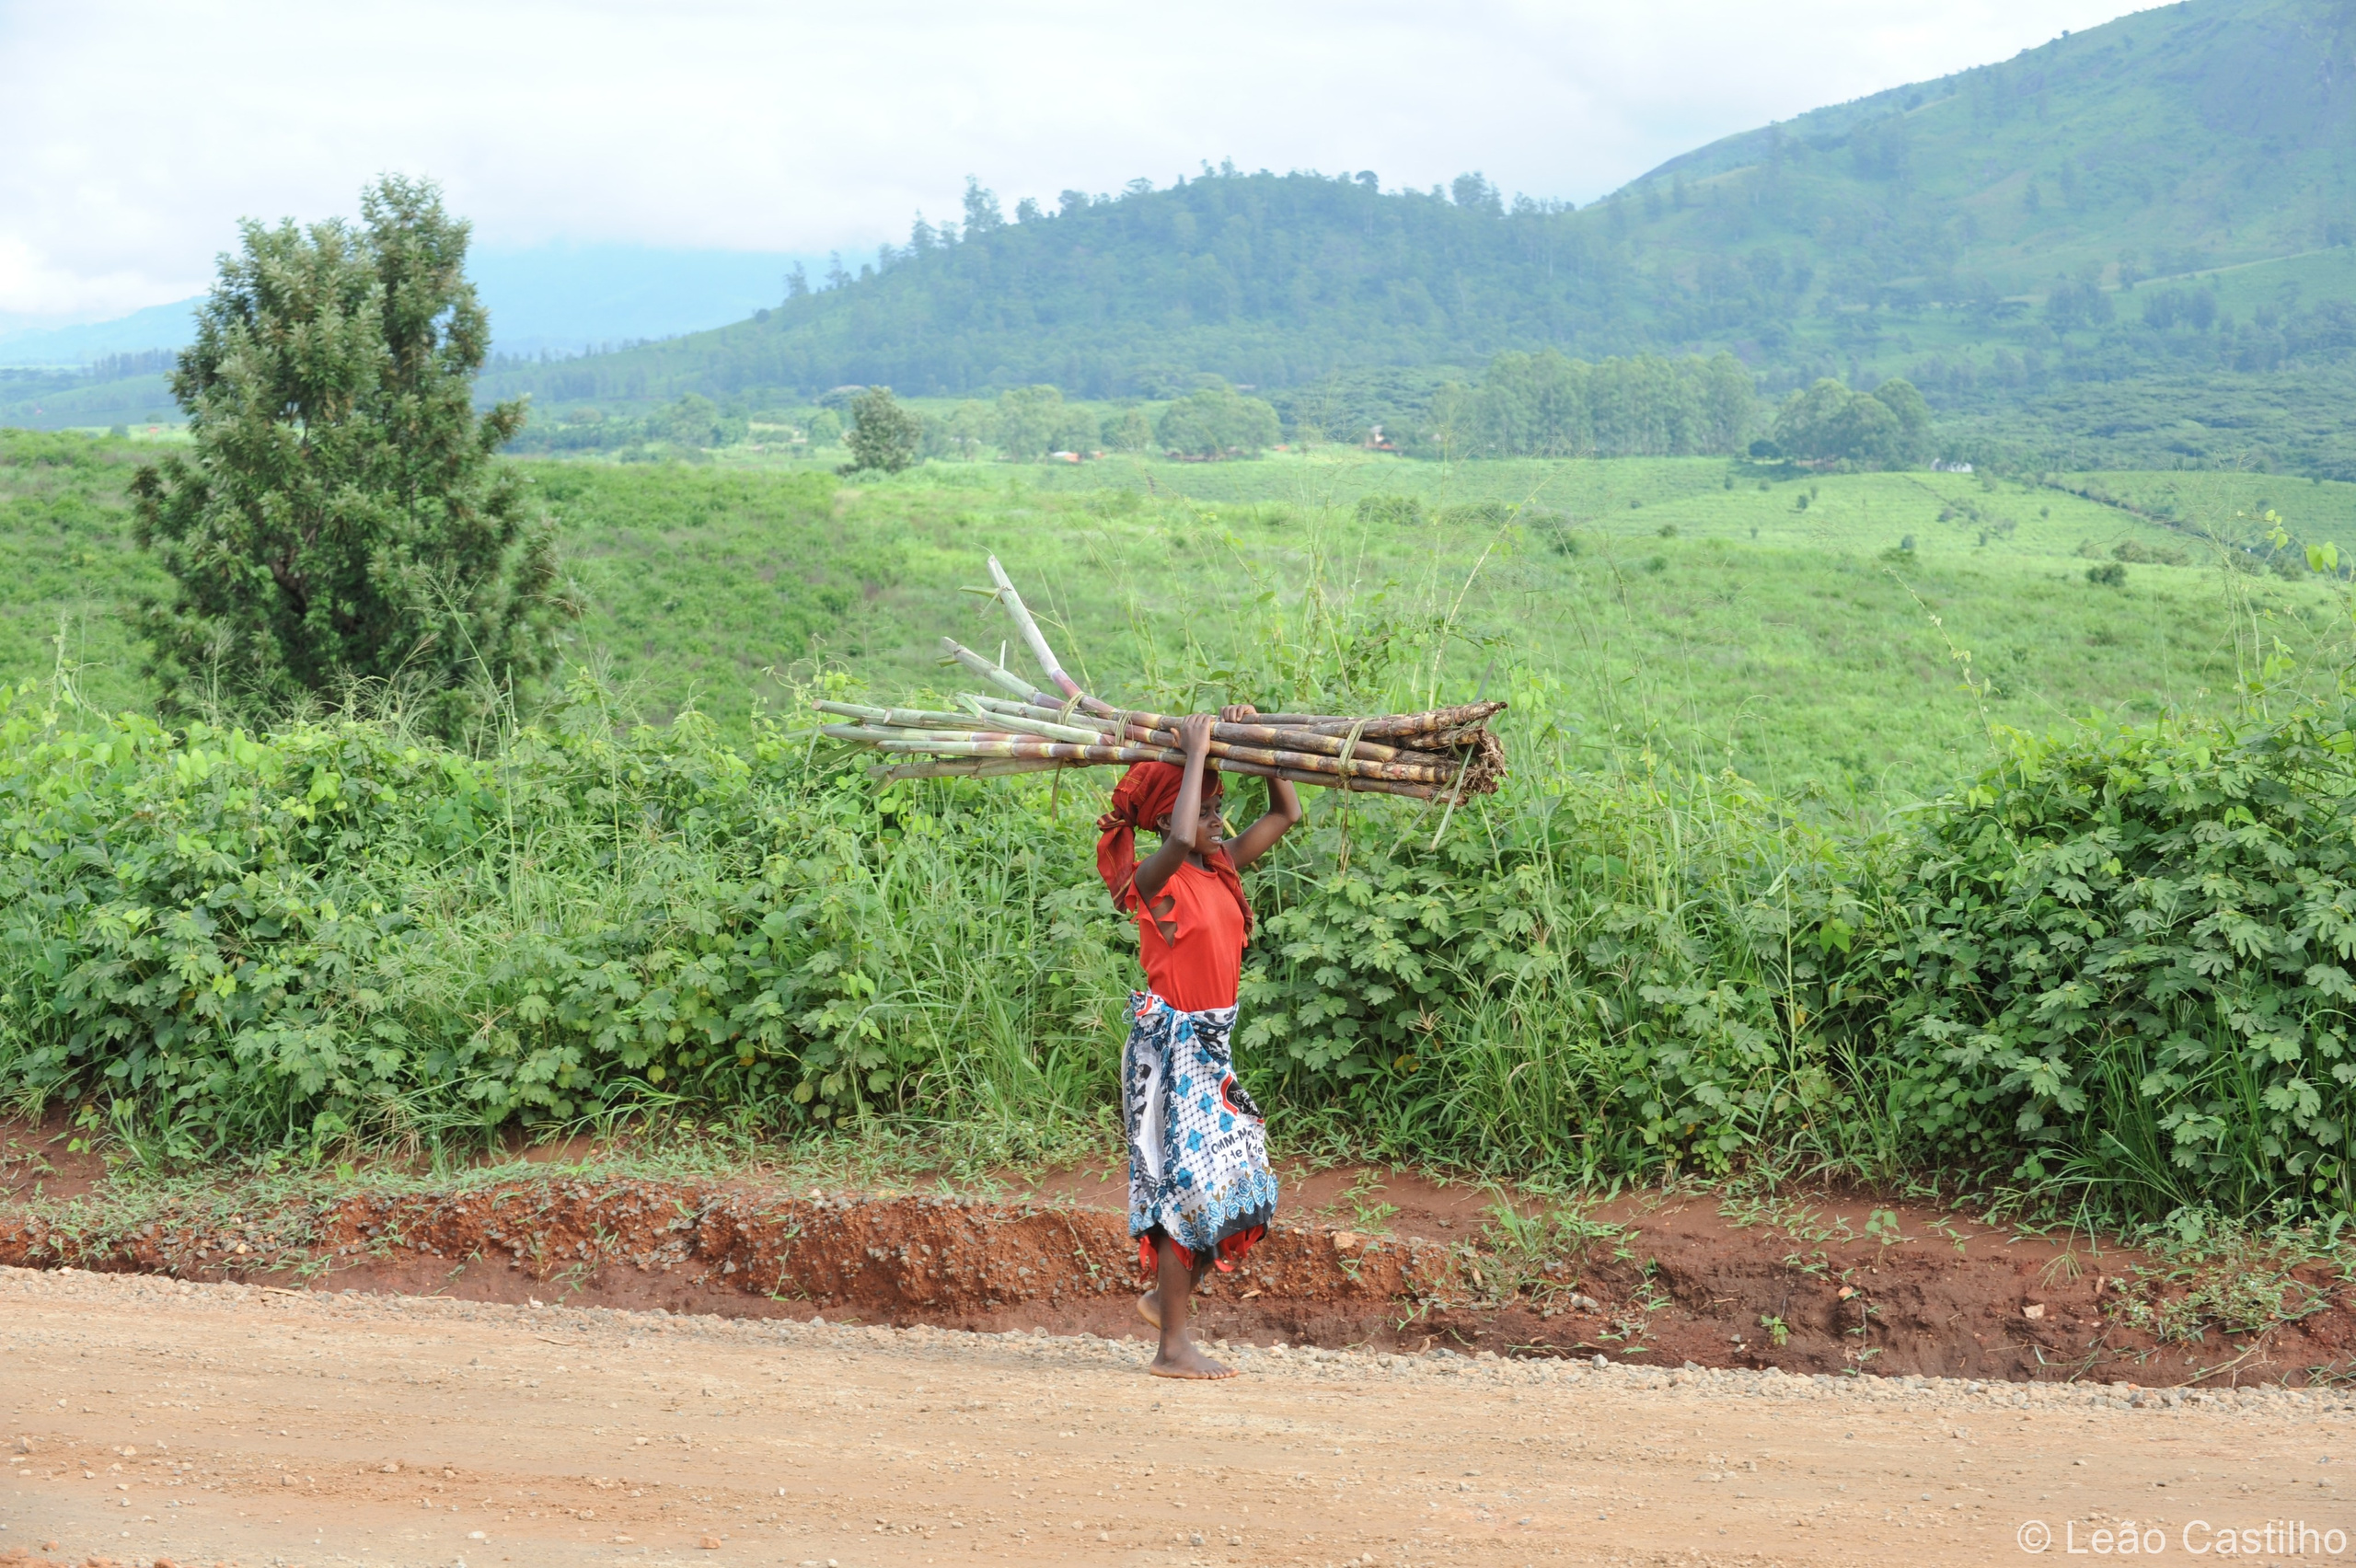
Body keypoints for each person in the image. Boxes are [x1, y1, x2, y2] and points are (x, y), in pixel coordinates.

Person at [1095, 707, 1302, 1379]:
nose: (1220, 820)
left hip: (1209, 1050)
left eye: (1220, 805)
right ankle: (1172, 1349)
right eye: (1208, 808)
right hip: (1168, 1050)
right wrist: (1196, 752)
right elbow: (1181, 838)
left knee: (1246, 1188)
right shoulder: (1154, 882)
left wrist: (1261, 746)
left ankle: (1166, 1299)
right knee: (1184, 1190)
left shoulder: (1219, 869)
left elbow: (1285, 816)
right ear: (1166, 821)